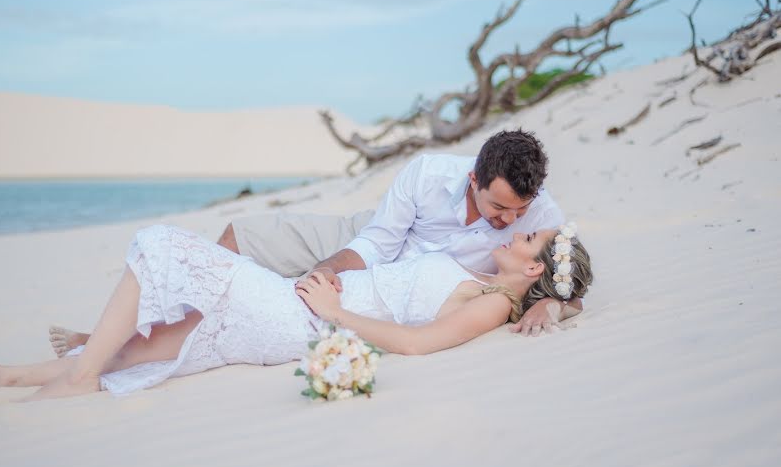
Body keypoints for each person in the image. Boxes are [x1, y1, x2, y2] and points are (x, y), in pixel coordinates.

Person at [0, 222, 593, 401]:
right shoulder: (486, 277)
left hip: (309, 316)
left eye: (528, 238)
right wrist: (561, 305)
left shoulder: (485, 304)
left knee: (160, 243)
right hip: (301, 314)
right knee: (154, 343)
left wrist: (337, 313)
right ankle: (16, 377)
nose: (517, 233)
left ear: (533, 269)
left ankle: (76, 377)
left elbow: (416, 345)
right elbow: (564, 292)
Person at [217, 129, 580, 336]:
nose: (509, 221)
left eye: (521, 210)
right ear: (474, 180)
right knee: (240, 235)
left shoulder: (544, 217)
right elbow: (376, 243)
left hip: (425, 288)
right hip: (377, 239)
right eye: (499, 208)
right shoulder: (426, 174)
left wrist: (552, 304)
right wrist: (328, 268)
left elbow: (570, 280)